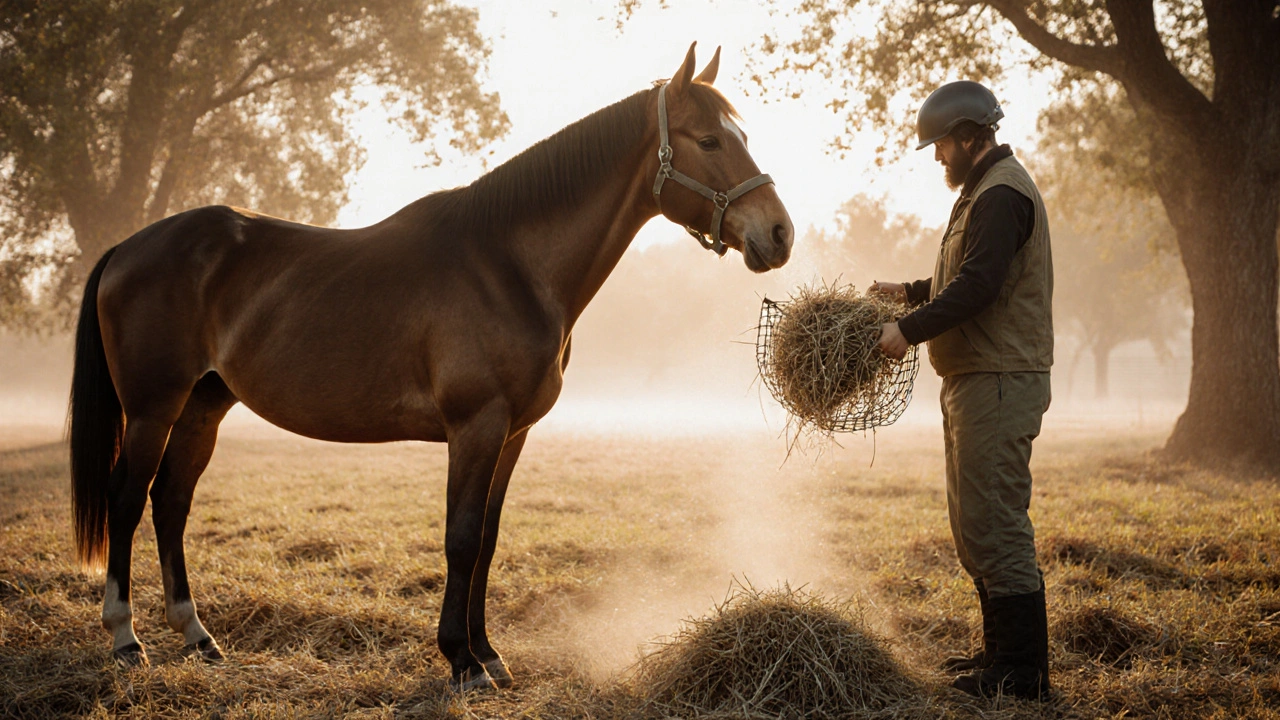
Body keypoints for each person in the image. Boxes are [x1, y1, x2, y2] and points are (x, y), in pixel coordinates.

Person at [870, 80, 1053, 700]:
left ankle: (1022, 675)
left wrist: (907, 330)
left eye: (942, 144)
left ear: (971, 136)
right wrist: (910, 291)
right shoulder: (981, 192)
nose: (938, 156)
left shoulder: (1001, 194)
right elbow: (966, 270)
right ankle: (999, 657)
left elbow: (979, 286)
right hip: (975, 376)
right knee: (974, 522)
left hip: (1000, 377)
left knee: (996, 519)